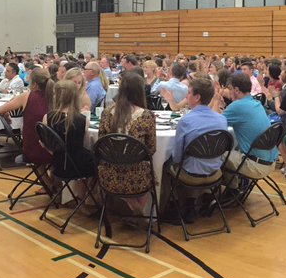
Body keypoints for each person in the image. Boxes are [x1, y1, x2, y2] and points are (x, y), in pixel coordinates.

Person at [164, 77, 229, 217]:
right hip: (215, 171)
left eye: (188, 93)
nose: (186, 96)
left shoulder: (186, 120)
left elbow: (177, 157)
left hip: (191, 175)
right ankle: (194, 201)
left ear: (197, 97)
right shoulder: (222, 119)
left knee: (164, 164)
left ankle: (171, 206)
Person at [97, 71, 157, 211]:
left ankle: (133, 211)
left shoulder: (106, 112)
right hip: (137, 177)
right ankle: (138, 212)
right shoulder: (147, 116)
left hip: (108, 174)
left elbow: (101, 142)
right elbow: (151, 149)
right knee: (150, 170)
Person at [222, 72, 278, 181]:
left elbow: (213, 124)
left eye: (230, 88)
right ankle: (233, 189)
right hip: (270, 161)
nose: (229, 92)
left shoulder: (237, 106)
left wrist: (215, 102)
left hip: (255, 165)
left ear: (236, 90)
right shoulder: (256, 103)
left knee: (216, 155)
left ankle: (230, 190)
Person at [0, 67, 52, 169]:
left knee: (40, 161)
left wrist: (7, 116)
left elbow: (0, 110)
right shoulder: (55, 96)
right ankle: (53, 184)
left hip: (33, 147)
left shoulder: (26, 96)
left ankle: (49, 184)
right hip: (54, 147)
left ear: (34, 83)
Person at [44, 78, 96, 180]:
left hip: (56, 163)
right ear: (75, 97)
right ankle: (84, 195)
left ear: (56, 97)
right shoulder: (83, 120)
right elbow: (84, 143)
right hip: (79, 165)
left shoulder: (48, 117)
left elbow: (45, 143)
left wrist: (55, 152)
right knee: (98, 160)